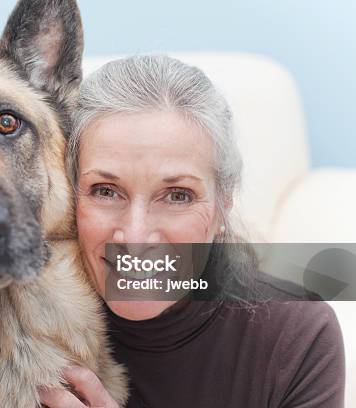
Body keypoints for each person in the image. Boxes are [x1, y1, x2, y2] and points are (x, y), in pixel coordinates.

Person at [39, 55, 345, 408]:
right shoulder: (20, 324)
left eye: (177, 196)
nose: (136, 237)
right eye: (106, 191)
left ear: (223, 202)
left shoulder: (295, 335)